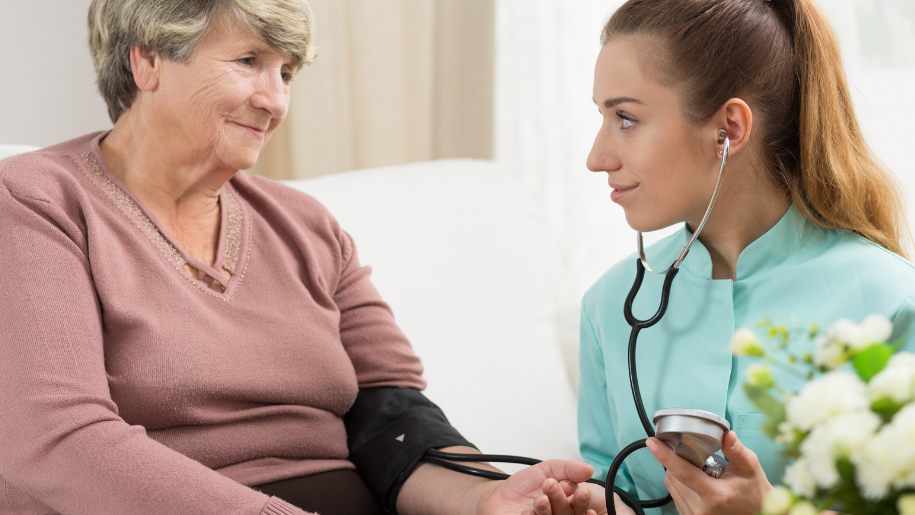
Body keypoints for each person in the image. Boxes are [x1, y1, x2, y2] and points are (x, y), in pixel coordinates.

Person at [0, 1, 598, 514]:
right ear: (148, 60)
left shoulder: (306, 225)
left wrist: (482, 496)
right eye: (249, 62)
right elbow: (56, 438)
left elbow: (391, 410)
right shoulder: (36, 201)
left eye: (286, 73)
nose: (275, 101)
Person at [573, 0, 915, 514]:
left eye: (625, 117)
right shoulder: (608, 307)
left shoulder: (891, 303)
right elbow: (609, 486)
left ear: (729, 129)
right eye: (602, 116)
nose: (596, 157)